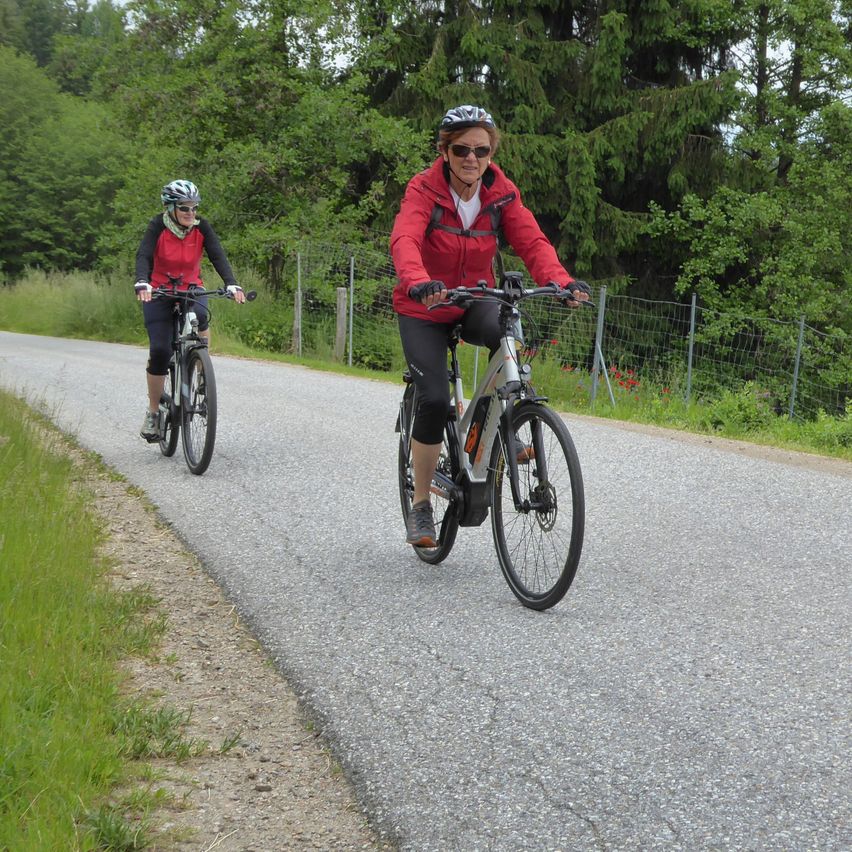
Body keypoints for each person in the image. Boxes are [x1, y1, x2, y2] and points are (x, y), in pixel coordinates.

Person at [390, 105, 590, 547]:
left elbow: (531, 240)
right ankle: (422, 504)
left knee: (508, 324)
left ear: (490, 152)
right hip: (424, 305)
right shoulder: (423, 188)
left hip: (473, 299)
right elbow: (405, 237)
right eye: (461, 148)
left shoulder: (500, 193)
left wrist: (560, 281)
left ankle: (503, 424)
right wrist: (419, 282)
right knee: (435, 398)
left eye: (480, 150)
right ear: (444, 151)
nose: (471, 158)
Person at [134, 179, 246, 441]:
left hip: (190, 287)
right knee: (160, 350)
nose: (191, 213)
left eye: (194, 208)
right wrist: (142, 281)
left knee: (203, 315)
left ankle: (200, 366)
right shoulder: (157, 226)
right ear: (171, 207)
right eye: (185, 208)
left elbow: (218, 255)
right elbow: (144, 255)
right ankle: (153, 413)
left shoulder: (201, 227)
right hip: (159, 290)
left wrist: (232, 283)